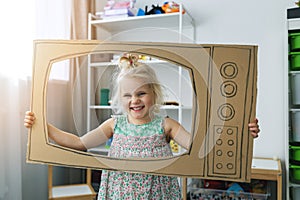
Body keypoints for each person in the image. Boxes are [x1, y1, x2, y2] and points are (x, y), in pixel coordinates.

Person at [24, 53, 260, 199]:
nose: (134, 100)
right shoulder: (114, 125)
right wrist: (42, 126)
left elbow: (201, 148)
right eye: (127, 95)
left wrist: (242, 132)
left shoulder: (166, 125)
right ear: (119, 99)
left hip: (157, 194)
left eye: (141, 93)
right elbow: (78, 143)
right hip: (119, 193)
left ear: (154, 95)